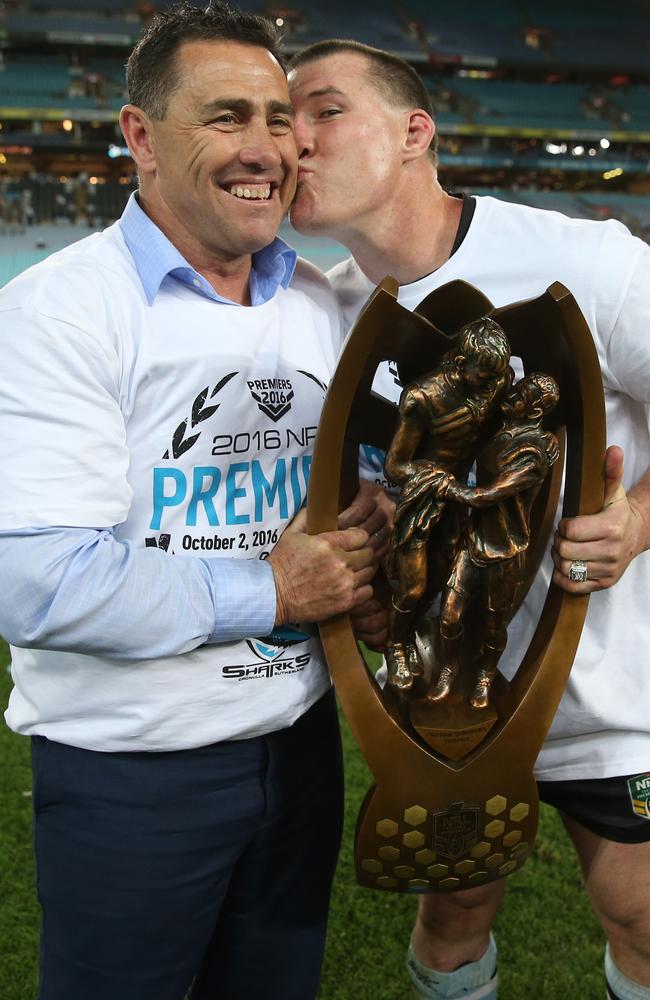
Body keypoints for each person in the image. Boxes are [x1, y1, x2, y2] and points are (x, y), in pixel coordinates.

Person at [0, 8, 390, 1000]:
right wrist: (270, 589)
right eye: (226, 117)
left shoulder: (318, 299)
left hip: (298, 747)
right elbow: (33, 579)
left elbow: (352, 489)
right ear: (140, 134)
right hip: (132, 770)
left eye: (277, 119)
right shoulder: (60, 311)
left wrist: (373, 543)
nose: (264, 149)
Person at [288, 38, 650, 1000]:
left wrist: (638, 523)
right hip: (443, 689)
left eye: (323, 110)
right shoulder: (318, 313)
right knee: (452, 915)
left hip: (607, 685)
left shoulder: (585, 263)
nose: (295, 141)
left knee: (643, 911)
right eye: (283, 121)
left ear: (416, 131)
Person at [383, 318, 511, 691]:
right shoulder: (422, 398)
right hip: (423, 500)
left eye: (496, 379)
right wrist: (435, 478)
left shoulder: (497, 383)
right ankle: (395, 646)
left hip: (458, 502)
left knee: (442, 578)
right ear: (459, 365)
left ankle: (412, 633)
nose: (491, 387)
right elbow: (394, 466)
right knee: (412, 586)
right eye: (483, 377)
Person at [430, 372, 560, 709]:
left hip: (506, 550)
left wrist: (450, 489)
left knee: (493, 624)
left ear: (535, 411)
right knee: (449, 616)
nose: (515, 394)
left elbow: (490, 493)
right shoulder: (498, 429)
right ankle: (449, 665)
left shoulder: (533, 453)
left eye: (523, 394)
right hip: (473, 543)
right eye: (517, 388)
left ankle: (486, 673)